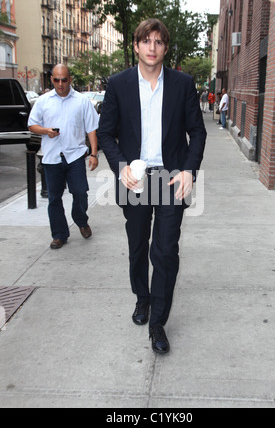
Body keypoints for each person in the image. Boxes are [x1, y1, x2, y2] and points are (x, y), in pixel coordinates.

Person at [99, 19, 207, 355]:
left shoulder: (182, 84)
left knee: (165, 251)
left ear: (165, 48)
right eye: (146, 41)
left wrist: (189, 170)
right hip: (135, 177)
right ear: (136, 45)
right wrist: (120, 167)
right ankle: (142, 298)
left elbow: (198, 132)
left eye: (159, 42)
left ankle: (158, 321)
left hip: (170, 177)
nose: (152, 47)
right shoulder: (118, 84)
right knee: (137, 247)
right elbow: (106, 133)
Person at [28, 64, 99, 250]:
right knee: (54, 198)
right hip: (52, 158)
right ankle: (59, 235)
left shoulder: (82, 101)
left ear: (70, 80)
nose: (60, 84)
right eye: (56, 79)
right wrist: (45, 131)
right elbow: (32, 125)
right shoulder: (43, 101)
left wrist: (93, 153)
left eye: (64, 80)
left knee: (80, 192)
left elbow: (91, 127)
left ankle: (81, 220)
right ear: (51, 79)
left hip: (75, 156)